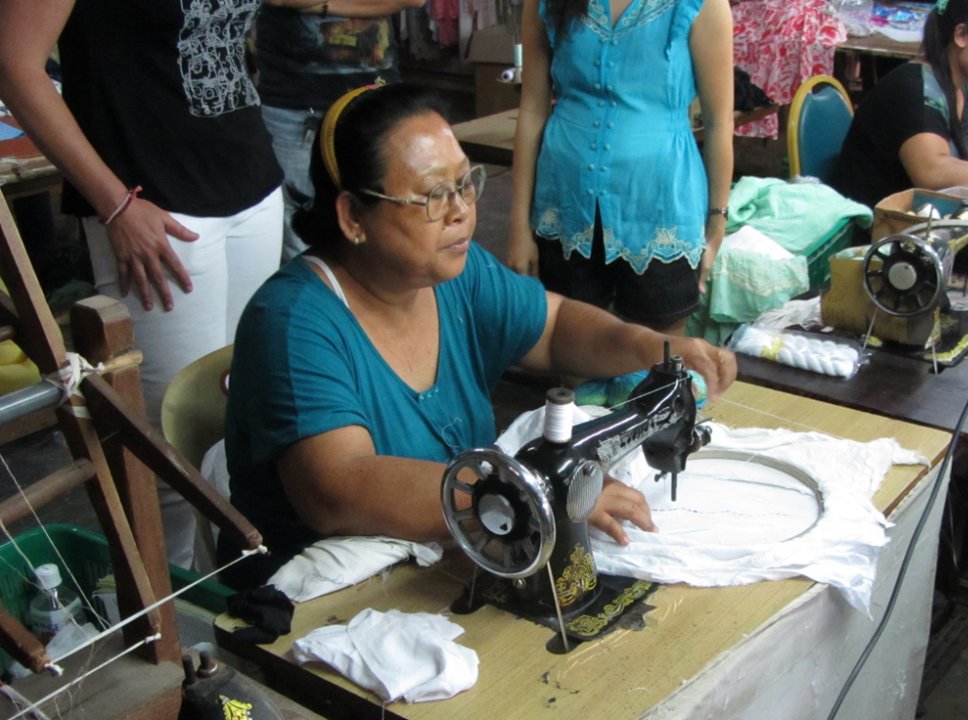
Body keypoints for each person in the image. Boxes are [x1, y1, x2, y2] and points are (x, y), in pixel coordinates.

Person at [216, 83, 738, 589]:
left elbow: (553, 327)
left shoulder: (452, 276)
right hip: (322, 607)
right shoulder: (293, 322)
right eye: (433, 197)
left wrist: (656, 349)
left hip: (450, 557)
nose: (462, 210)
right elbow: (338, 488)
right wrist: (542, 492)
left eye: (466, 184)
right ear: (353, 215)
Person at [0, 0, 284, 569]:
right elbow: (13, 64)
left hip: (250, 181)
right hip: (154, 207)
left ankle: (233, 595)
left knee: (245, 422)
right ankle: (170, 622)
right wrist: (115, 206)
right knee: (167, 447)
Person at [506, 0, 734, 336]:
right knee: (573, 352)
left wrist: (717, 221)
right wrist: (518, 227)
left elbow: (718, 122)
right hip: (566, 205)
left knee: (657, 361)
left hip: (661, 210)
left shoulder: (702, 4)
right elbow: (532, 110)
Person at [256, 0, 426, 264]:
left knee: (388, 225)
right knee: (305, 241)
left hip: (375, 99)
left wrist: (320, 6)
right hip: (297, 105)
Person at [829, 0, 968, 210]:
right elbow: (932, 170)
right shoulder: (913, 89)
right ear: (961, 35)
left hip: (928, 226)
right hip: (880, 232)